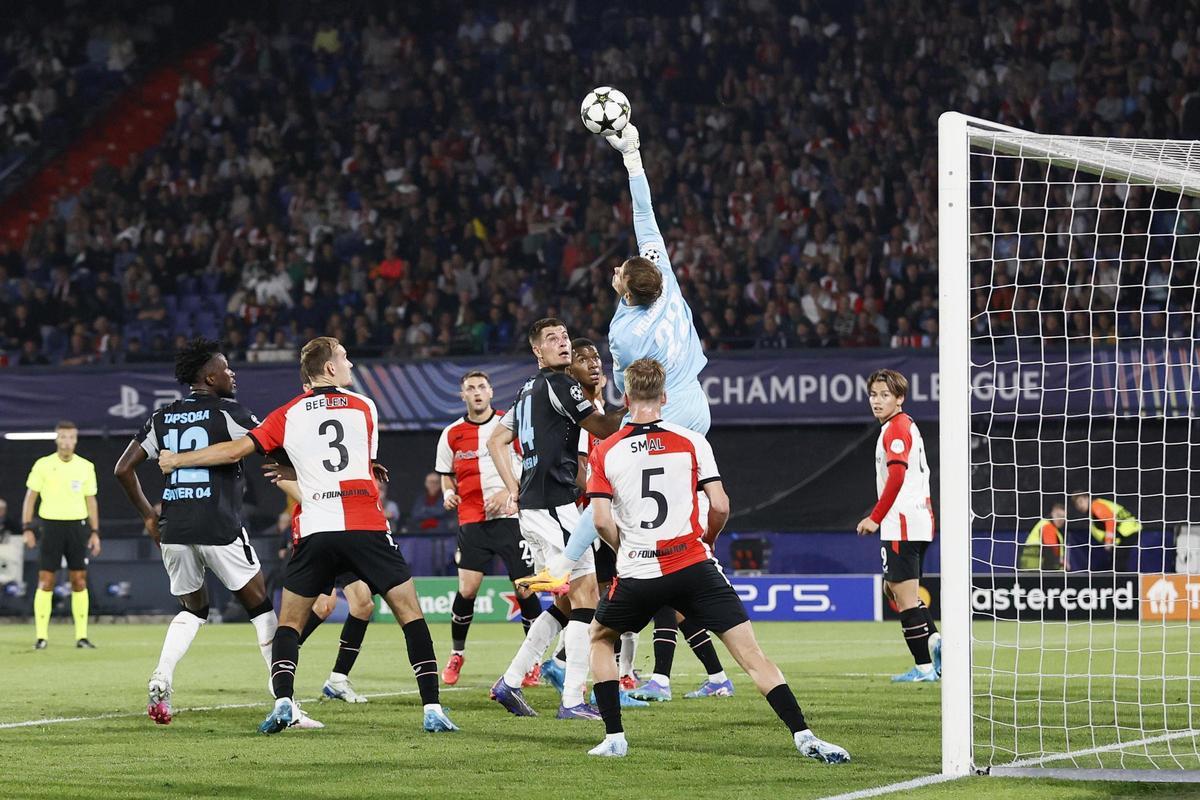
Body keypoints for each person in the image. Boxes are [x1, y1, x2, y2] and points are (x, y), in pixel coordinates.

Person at [520, 123, 732, 701]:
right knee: (654, 532)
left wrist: (612, 415)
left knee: (611, 488)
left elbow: (627, 387)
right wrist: (633, 156)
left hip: (667, 408)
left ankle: (564, 569)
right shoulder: (668, 287)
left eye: (617, 274)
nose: (614, 272)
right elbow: (648, 220)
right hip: (696, 401)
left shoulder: (625, 330)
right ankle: (683, 670)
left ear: (625, 291)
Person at [159, 337, 458, 734]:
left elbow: (234, 452)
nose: (350, 362)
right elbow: (358, 463)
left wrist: (178, 458)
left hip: (316, 528)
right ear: (330, 369)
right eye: (344, 357)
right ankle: (433, 709)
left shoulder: (287, 413)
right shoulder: (365, 407)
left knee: (289, 623)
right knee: (410, 614)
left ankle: (283, 701)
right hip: (365, 526)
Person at [585, 358, 848, 763]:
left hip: (639, 569)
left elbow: (601, 519)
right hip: (693, 564)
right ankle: (804, 735)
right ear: (665, 398)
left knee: (601, 638)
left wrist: (627, 549)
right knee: (751, 656)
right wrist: (706, 540)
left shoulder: (606, 450)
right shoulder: (692, 440)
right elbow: (720, 505)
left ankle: (615, 737)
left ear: (625, 397)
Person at [114, 337, 286, 725]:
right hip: (219, 523)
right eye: (226, 368)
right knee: (260, 608)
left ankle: (162, 674)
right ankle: (284, 700)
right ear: (209, 377)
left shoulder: (162, 417)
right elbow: (272, 444)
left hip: (173, 527)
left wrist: (147, 516)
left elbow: (122, 469)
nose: (232, 373)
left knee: (194, 609)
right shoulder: (230, 412)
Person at [485, 318, 625, 719]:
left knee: (567, 603)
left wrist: (514, 486)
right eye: (552, 339)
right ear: (537, 351)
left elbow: (497, 439)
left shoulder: (527, 389)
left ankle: (509, 682)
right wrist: (635, 404)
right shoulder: (561, 385)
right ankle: (573, 700)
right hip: (553, 504)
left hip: (536, 504)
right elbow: (599, 426)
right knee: (587, 599)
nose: (562, 343)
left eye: (564, 336)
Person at [434, 369, 542, 686]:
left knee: (525, 588)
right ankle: (457, 654)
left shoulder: (509, 424)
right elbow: (445, 473)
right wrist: (448, 493)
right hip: (472, 522)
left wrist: (507, 491)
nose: (477, 392)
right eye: (471, 388)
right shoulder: (451, 434)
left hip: (510, 519)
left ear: (491, 392)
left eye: (482, 387)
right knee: (467, 590)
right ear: (463, 395)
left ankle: (533, 662)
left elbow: (532, 467)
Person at [855, 369, 941, 683]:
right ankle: (935, 644)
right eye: (874, 395)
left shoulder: (895, 429)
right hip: (916, 520)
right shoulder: (904, 425)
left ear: (899, 398)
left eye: (885, 395)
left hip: (902, 523)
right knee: (891, 588)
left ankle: (923, 668)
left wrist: (875, 517)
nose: (877, 401)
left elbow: (897, 476)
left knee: (903, 599)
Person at [22, 420, 100, 650]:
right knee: (46, 580)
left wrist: (95, 532)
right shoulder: (43, 465)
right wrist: (27, 527)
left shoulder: (85, 466)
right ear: (57, 438)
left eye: (71, 437)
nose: (67, 441)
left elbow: (91, 500)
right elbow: (30, 498)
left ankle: (82, 636)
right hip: (50, 526)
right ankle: (41, 637)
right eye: (63, 437)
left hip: (77, 527)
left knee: (79, 580)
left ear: (76, 440)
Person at [1071, 492, 1142, 572]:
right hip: (1127, 533)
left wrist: (1108, 541)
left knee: (1119, 565)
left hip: (1127, 534)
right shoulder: (1095, 509)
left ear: (1087, 498)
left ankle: (1120, 582)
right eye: (1077, 505)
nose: (1080, 506)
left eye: (1081, 502)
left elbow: (1110, 520)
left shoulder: (1095, 505)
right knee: (1117, 563)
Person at [1018, 505, 1068, 571]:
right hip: (1037, 569)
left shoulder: (1048, 526)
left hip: (1030, 567)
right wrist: (1060, 561)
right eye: (1058, 515)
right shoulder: (1047, 526)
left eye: (1063, 517)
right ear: (1052, 513)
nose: (1060, 519)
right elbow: (1050, 549)